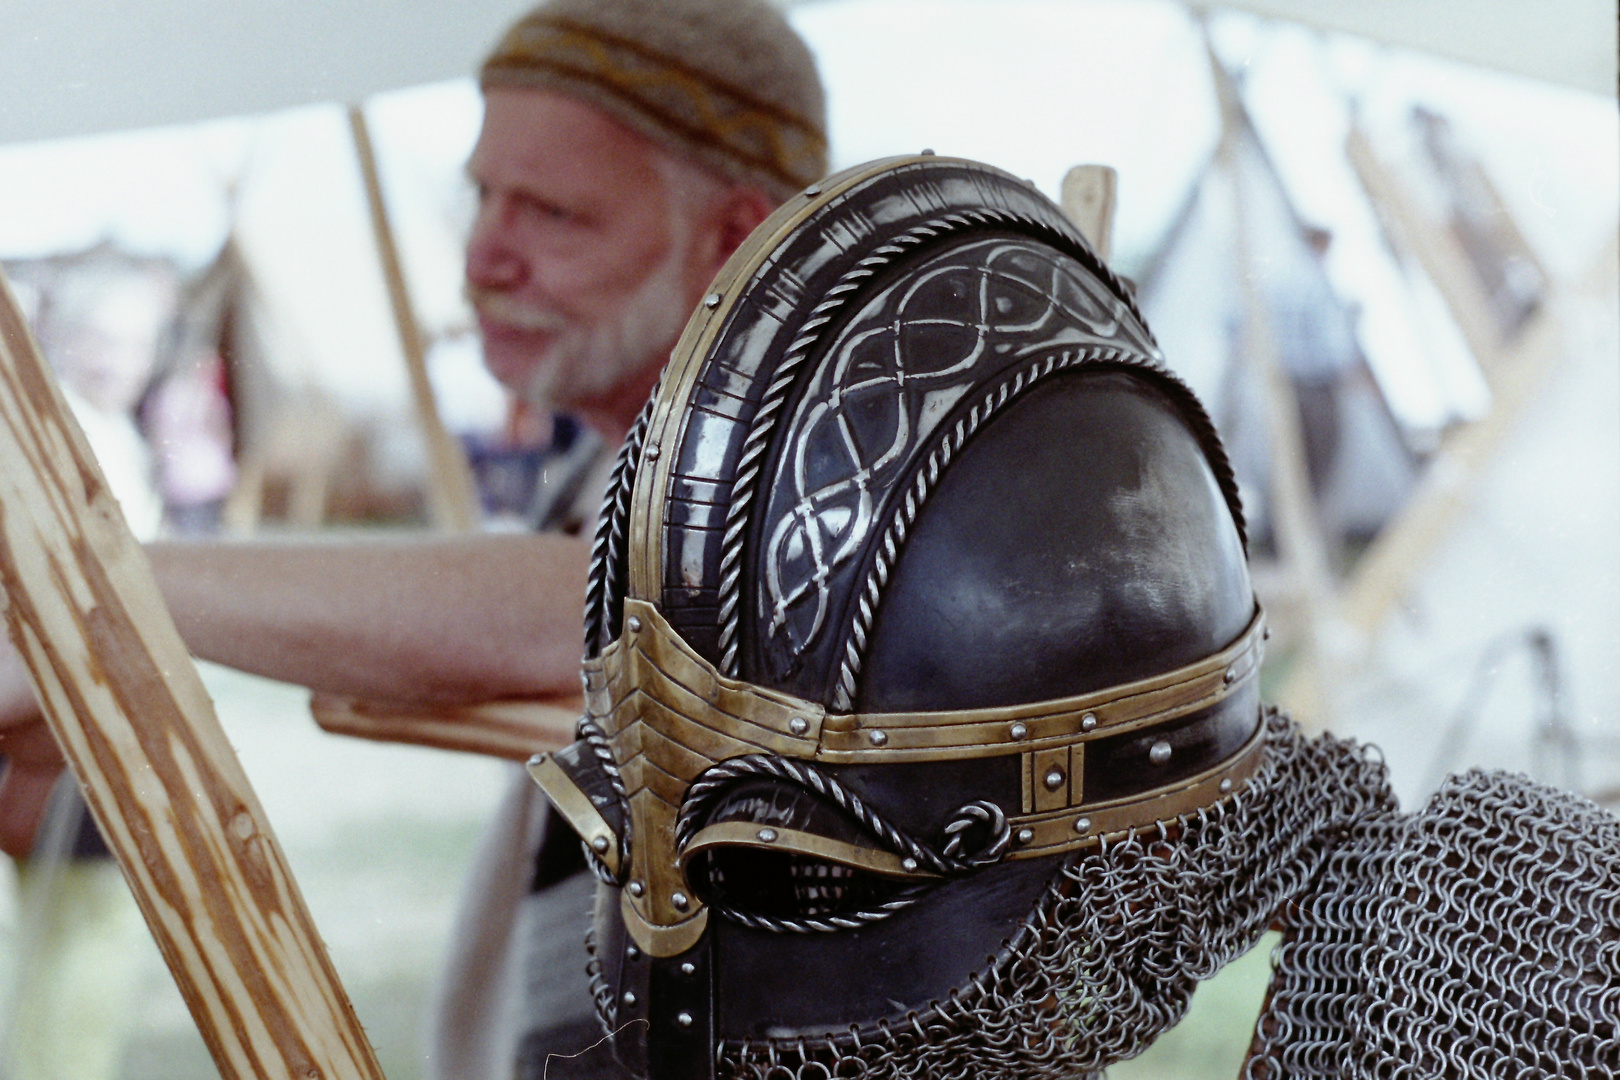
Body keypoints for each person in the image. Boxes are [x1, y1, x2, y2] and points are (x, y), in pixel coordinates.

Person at [0, 0, 828, 1076]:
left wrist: (93, 589)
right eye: (482, 196)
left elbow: (632, 595)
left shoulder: (830, 454)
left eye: (553, 214)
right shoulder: (617, 460)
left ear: (733, 235)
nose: (483, 258)